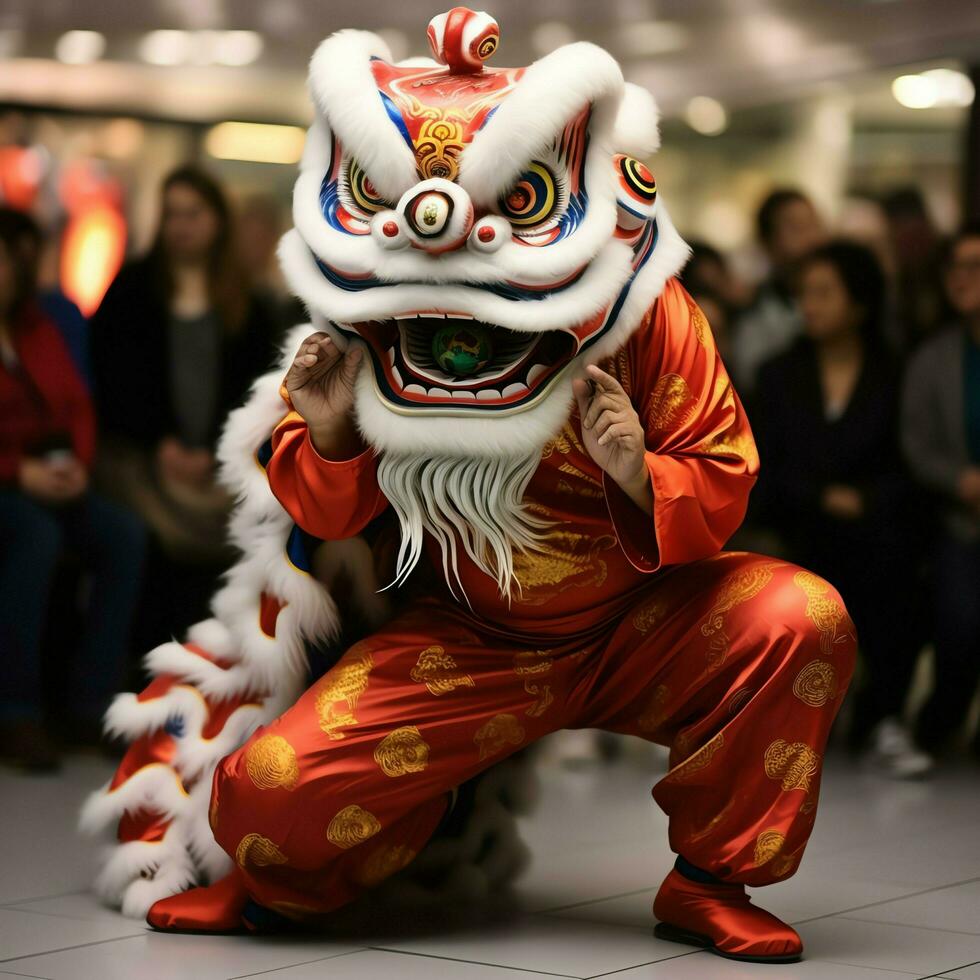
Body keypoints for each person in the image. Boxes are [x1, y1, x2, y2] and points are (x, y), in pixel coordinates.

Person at [86, 10, 857, 964]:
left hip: (637, 619)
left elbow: (723, 471)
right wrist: (330, 431)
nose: (445, 224)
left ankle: (709, 878)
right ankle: (390, 827)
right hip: (468, 637)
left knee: (799, 616)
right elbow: (320, 514)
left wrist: (637, 470)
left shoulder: (648, 313)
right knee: (264, 803)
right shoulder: (368, 319)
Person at [753, 240, 933, 777]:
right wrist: (819, 496)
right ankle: (795, 723)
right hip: (797, 518)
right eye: (805, 293)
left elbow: (910, 459)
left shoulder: (895, 371)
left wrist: (869, 499)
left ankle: (883, 719)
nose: (810, 305)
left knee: (893, 566)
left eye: (824, 293)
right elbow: (761, 462)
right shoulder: (778, 374)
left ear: (859, 303)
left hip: (875, 520)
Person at [89, 165, 282, 647]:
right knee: (152, 541)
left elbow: (259, 389)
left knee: (241, 540)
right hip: (138, 459)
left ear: (217, 220)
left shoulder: (247, 301)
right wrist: (160, 444)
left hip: (220, 463)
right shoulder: (132, 288)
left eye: (193, 213)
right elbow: (110, 379)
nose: (181, 225)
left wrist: (218, 451)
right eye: (172, 214)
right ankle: (142, 662)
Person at [0, 208, 145, 770]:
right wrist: (18, 472)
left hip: (51, 476)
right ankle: (16, 712)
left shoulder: (41, 326)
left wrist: (77, 467)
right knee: (35, 535)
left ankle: (89, 703)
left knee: (123, 535)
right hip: (10, 479)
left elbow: (77, 404)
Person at [902, 223, 980, 756]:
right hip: (960, 518)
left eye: (974, 267)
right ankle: (938, 725)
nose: (961, 278)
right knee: (959, 625)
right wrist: (960, 479)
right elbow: (917, 442)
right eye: (955, 266)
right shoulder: (934, 357)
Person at [732, 189, 826, 393]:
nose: (811, 237)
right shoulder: (753, 308)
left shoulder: (842, 295)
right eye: (796, 228)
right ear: (767, 241)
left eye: (814, 225)